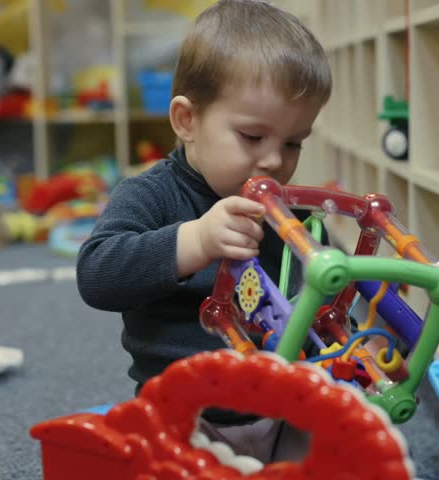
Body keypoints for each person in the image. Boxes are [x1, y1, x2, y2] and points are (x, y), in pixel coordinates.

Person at [76, 0, 331, 465]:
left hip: (284, 408)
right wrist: (193, 241)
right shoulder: (150, 195)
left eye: (293, 142)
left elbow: (322, 296)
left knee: (348, 443)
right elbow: (96, 275)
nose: (275, 161)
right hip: (186, 419)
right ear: (187, 121)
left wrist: (353, 337)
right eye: (253, 137)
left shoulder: (288, 216)